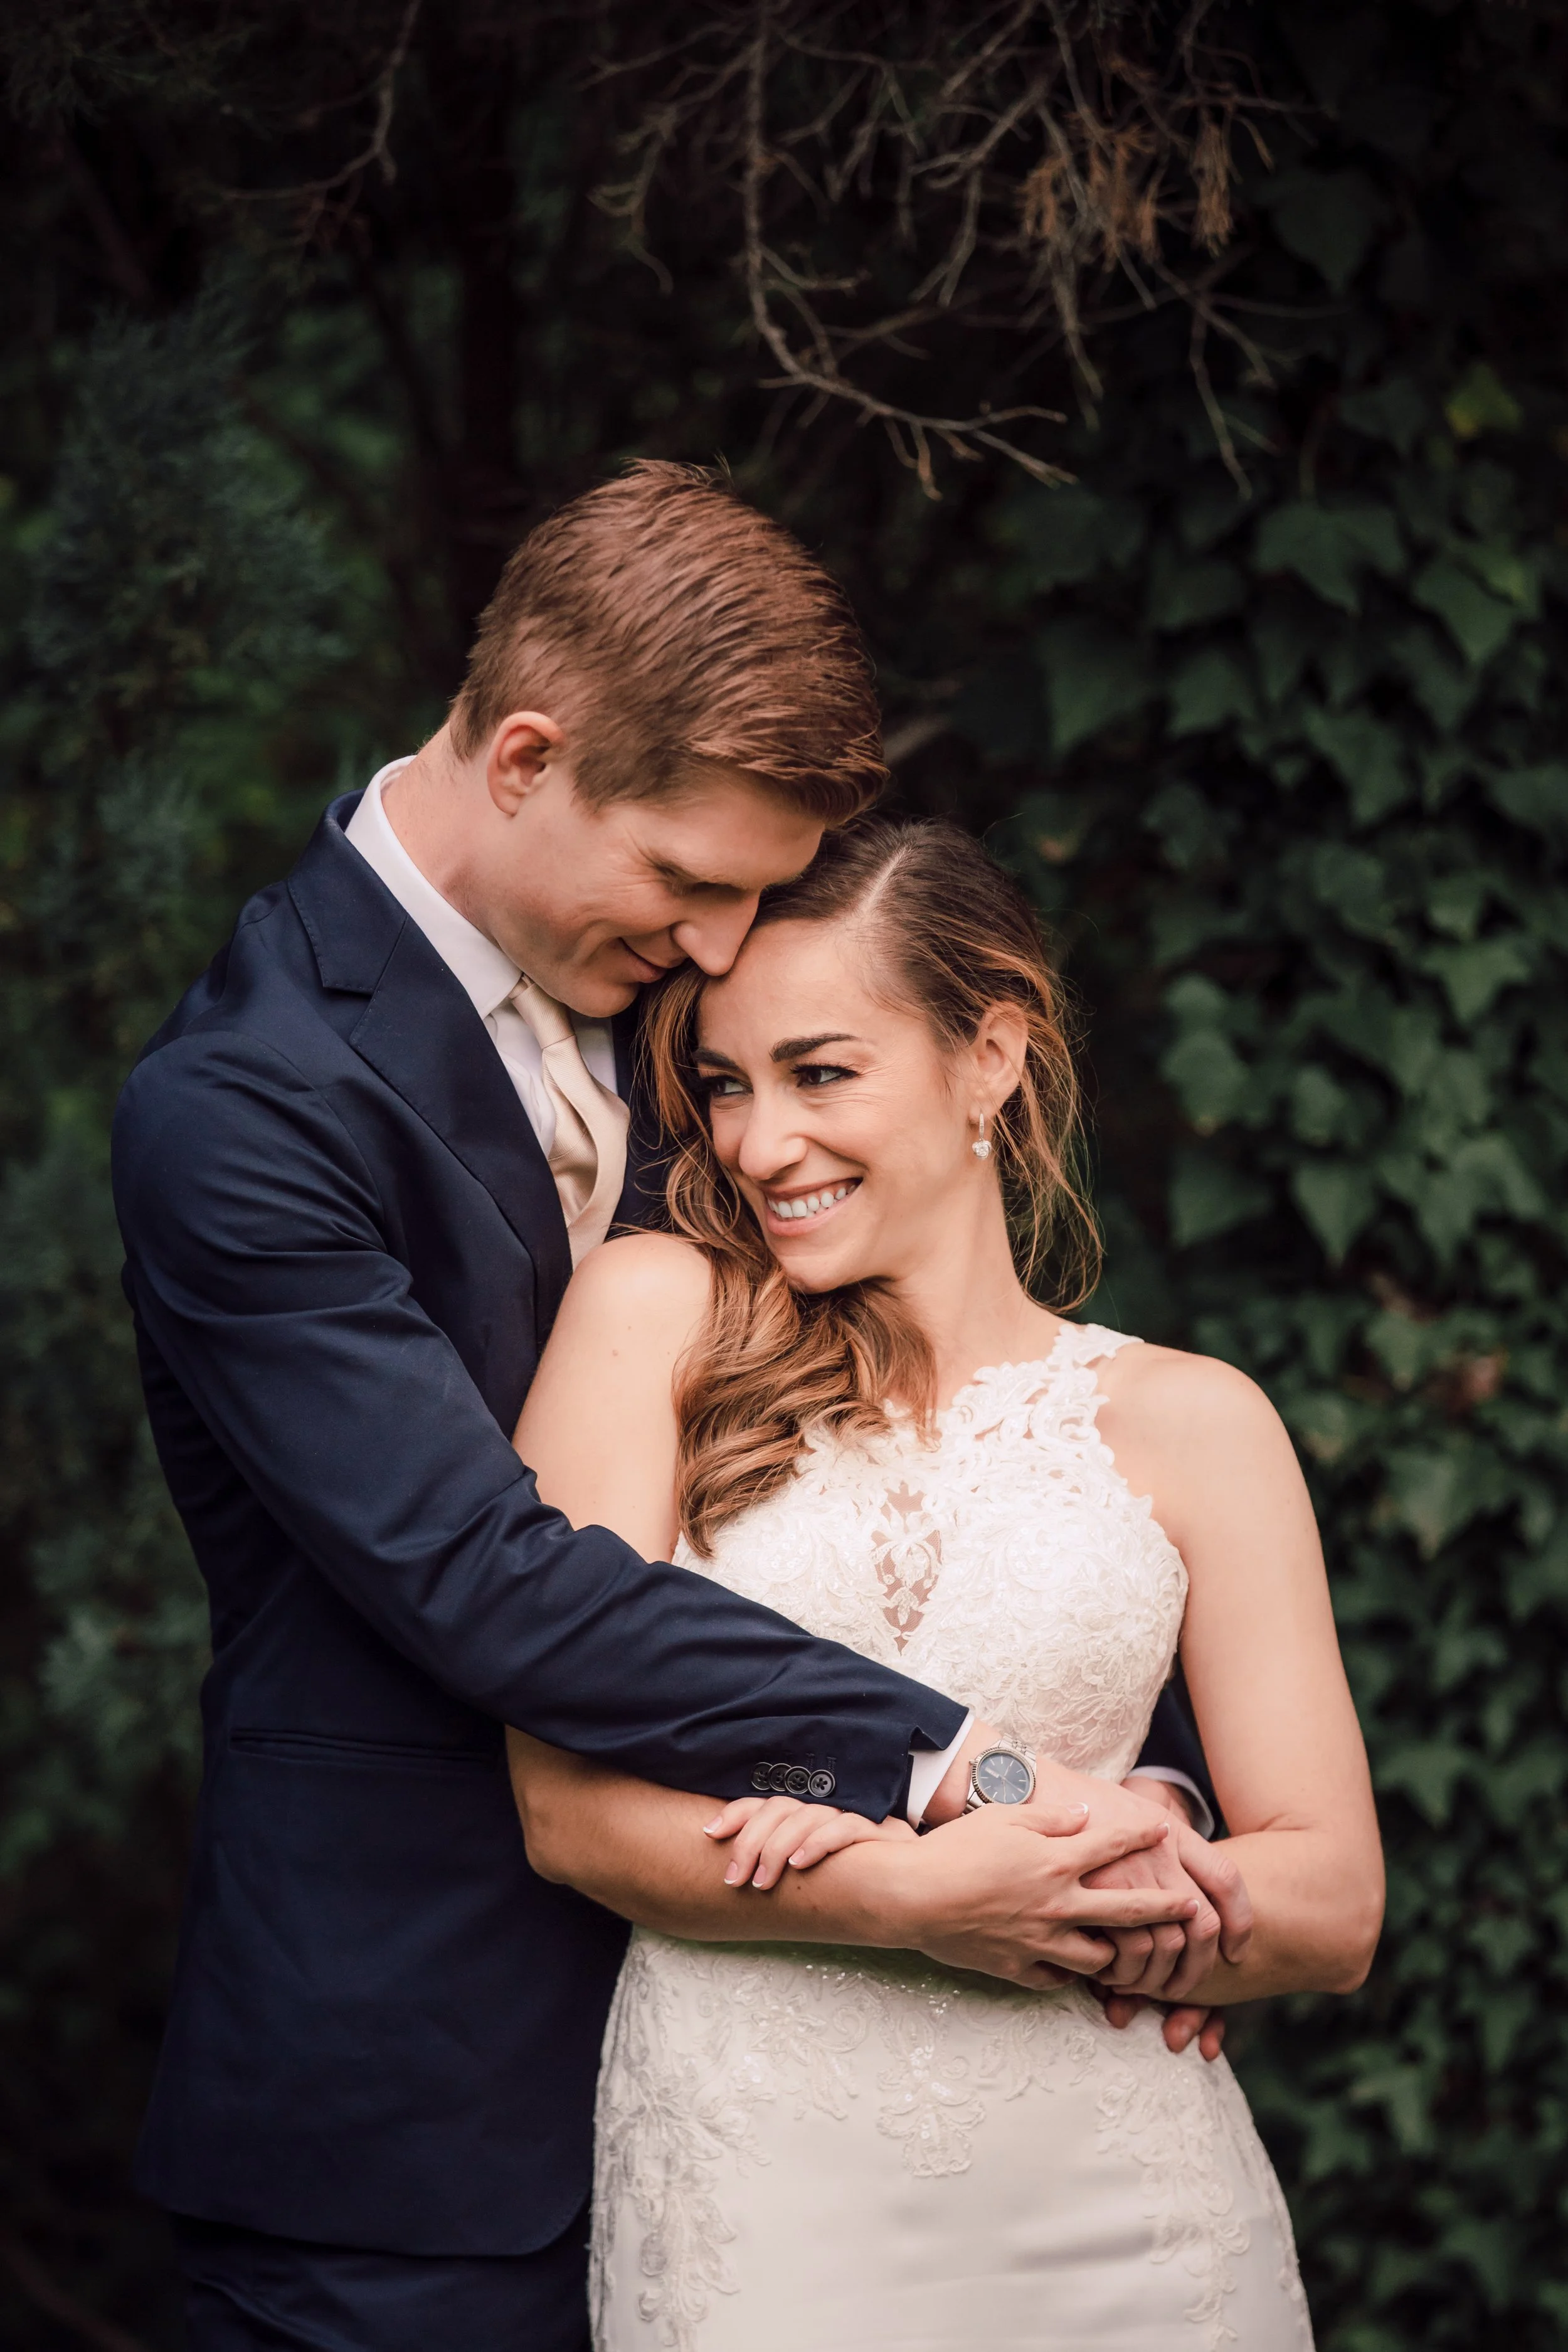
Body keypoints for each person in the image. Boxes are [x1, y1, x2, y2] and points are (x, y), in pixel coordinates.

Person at [111, 465, 1238, 2352]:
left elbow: (957, 1401)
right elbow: (483, 1572)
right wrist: (964, 1762)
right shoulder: (243, 1107)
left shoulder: (685, 1015)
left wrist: (1131, 1817)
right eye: (691, 885)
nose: (723, 951)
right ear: (530, 756)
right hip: (419, 2109)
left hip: (808, 2100)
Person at [506, 815, 1386, 2351]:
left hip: (1126, 2212)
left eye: (819, 1072)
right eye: (725, 1083)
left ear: (991, 1055)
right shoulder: (654, 1317)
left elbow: (1325, 1902)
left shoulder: (1196, 1419)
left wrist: (1121, 1843)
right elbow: (567, 1812)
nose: (756, 1142)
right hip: (763, 2191)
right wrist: (904, 1894)